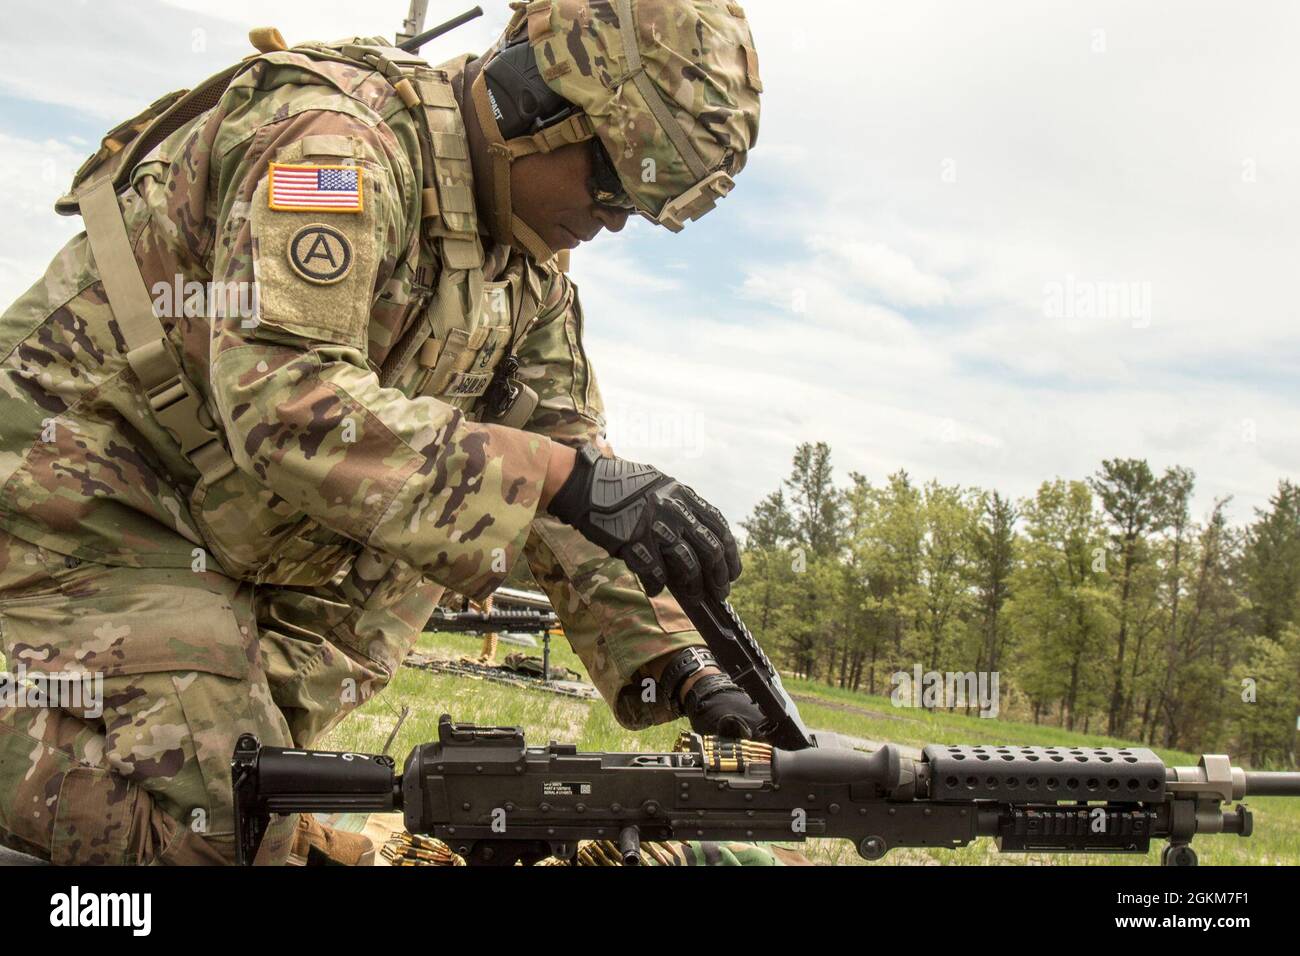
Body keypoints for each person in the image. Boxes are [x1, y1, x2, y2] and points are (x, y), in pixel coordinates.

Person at [0, 0, 769, 864]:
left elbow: (574, 484)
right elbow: (285, 400)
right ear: (542, 100)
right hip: (81, 506)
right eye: (614, 182)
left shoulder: (528, 274)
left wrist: (684, 667)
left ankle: (206, 770)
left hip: (225, 531)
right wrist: (561, 478)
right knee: (216, 826)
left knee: (276, 768)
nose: (616, 220)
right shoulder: (333, 147)